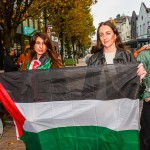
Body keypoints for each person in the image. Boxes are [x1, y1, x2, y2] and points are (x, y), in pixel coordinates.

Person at [137, 48, 150, 150]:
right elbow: (139, 78)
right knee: (146, 138)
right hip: (149, 103)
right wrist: (146, 96)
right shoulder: (145, 54)